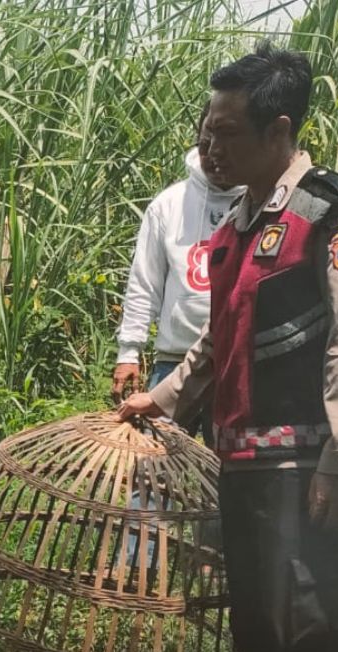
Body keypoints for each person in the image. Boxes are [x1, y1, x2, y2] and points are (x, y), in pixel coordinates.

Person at [118, 43, 338, 652]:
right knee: (257, 616)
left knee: (313, 617)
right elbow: (220, 337)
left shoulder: (332, 215)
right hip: (238, 457)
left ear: (279, 130)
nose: (210, 147)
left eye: (227, 133)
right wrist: (166, 397)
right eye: (205, 131)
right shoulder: (241, 222)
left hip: (302, 464)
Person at [112, 103, 247, 434]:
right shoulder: (168, 206)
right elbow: (145, 283)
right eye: (205, 144)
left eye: (226, 142)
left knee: (230, 473)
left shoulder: (258, 205)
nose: (214, 155)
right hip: (172, 363)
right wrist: (129, 352)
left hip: (232, 363)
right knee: (152, 471)